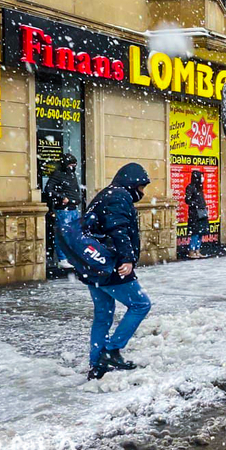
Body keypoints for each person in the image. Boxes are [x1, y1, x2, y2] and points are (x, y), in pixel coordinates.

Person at [82, 163, 152, 380]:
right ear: (132, 182)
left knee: (103, 314)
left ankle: (97, 364)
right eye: (141, 186)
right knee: (141, 304)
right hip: (112, 265)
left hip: (94, 265)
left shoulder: (105, 195)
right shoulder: (119, 196)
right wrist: (127, 258)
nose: (142, 192)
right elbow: (118, 229)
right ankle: (111, 351)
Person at [45, 154, 81, 269]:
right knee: (63, 234)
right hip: (64, 210)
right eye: (71, 164)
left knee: (73, 235)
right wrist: (61, 198)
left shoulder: (71, 174)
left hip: (73, 208)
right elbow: (48, 189)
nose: (73, 167)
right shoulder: (58, 174)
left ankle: (70, 257)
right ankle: (62, 258)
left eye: (74, 164)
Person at [184, 170, 209, 259]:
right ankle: (192, 251)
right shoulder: (191, 187)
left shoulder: (199, 188)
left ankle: (197, 251)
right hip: (195, 214)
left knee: (200, 233)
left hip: (201, 213)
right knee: (195, 233)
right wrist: (196, 205)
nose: (202, 178)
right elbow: (187, 200)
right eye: (201, 176)